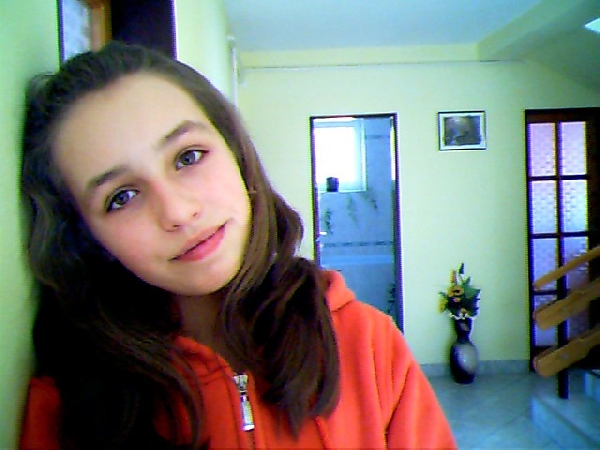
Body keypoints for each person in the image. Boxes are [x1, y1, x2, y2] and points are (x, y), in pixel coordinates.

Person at [19, 42, 456, 449]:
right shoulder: (66, 406)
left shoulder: (368, 343)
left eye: (188, 157)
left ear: (235, 153)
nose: (177, 212)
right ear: (89, 238)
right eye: (121, 197)